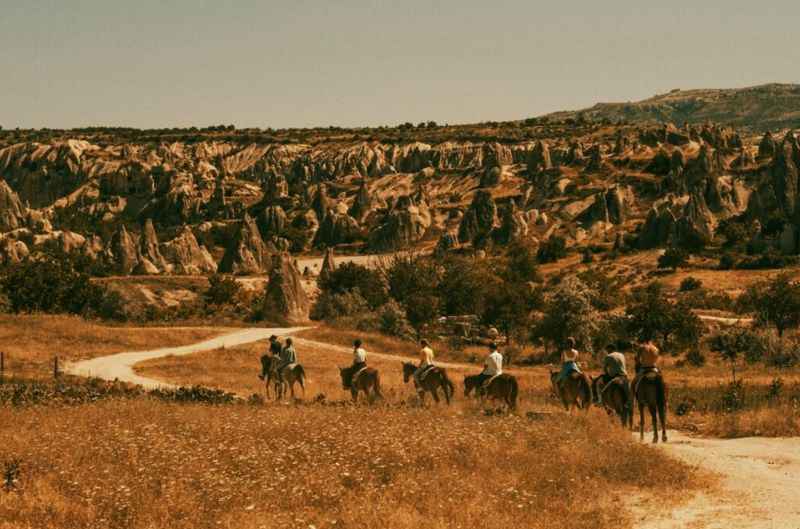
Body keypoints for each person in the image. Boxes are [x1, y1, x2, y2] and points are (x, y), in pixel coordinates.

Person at [594, 344, 632, 411]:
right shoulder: (621, 355)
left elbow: (605, 369)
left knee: (598, 382)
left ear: (609, 349)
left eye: (607, 350)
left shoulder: (608, 356)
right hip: (624, 376)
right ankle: (631, 401)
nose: (607, 351)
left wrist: (607, 374)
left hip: (613, 376)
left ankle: (600, 400)